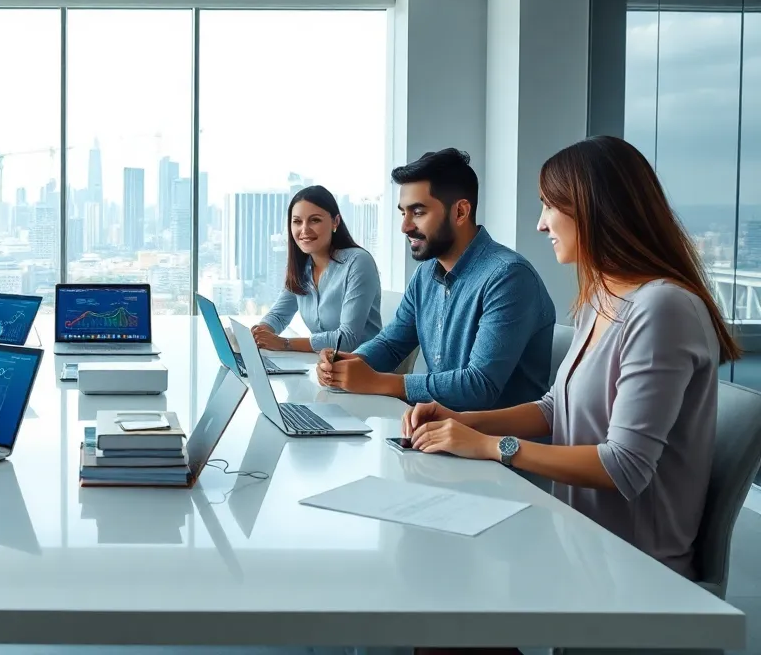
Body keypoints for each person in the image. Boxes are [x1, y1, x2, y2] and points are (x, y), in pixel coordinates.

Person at [402, 136, 737, 580]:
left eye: (549, 206)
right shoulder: (600, 297)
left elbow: (624, 466)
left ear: (595, 210)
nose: (541, 225)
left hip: (633, 568)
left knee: (437, 589)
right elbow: (555, 408)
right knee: (431, 568)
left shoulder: (663, 308)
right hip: (576, 536)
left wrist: (487, 447)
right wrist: (461, 420)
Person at [318, 148, 556, 411]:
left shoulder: (509, 277)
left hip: (498, 446)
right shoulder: (425, 273)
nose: (405, 226)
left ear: (460, 212)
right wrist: (347, 364)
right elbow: (391, 345)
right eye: (402, 213)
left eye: (418, 212)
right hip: (439, 435)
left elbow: (479, 386)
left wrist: (380, 382)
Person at [251, 185, 383, 353]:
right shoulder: (302, 268)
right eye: (297, 221)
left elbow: (347, 339)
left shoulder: (357, 262)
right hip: (324, 367)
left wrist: (283, 343)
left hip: (363, 368)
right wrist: (260, 333)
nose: (304, 230)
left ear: (335, 222)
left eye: (315, 220)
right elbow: (278, 316)